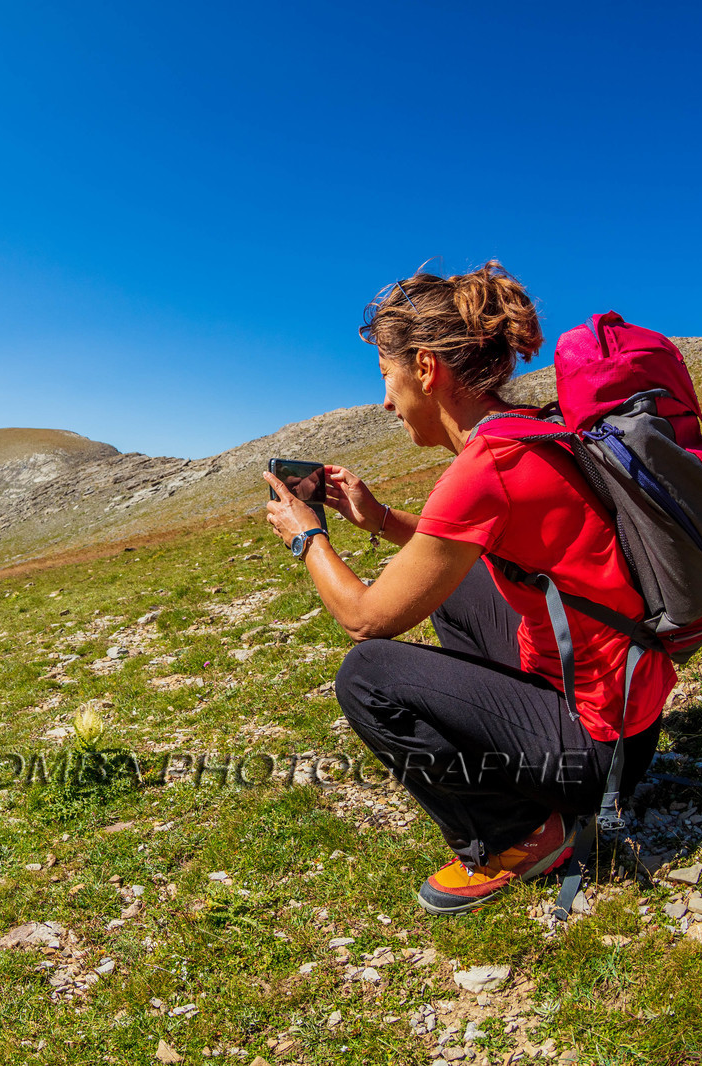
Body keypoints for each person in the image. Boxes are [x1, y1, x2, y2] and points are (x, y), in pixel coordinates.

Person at [262, 262, 674, 915]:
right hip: (629, 720)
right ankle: (537, 794)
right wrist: (380, 521)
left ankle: (519, 837)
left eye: (389, 381)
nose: (389, 404)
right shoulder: (531, 428)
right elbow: (459, 557)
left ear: (426, 368)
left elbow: (365, 619)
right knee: (452, 589)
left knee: (365, 672)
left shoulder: (485, 466)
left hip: (595, 751)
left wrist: (307, 535)